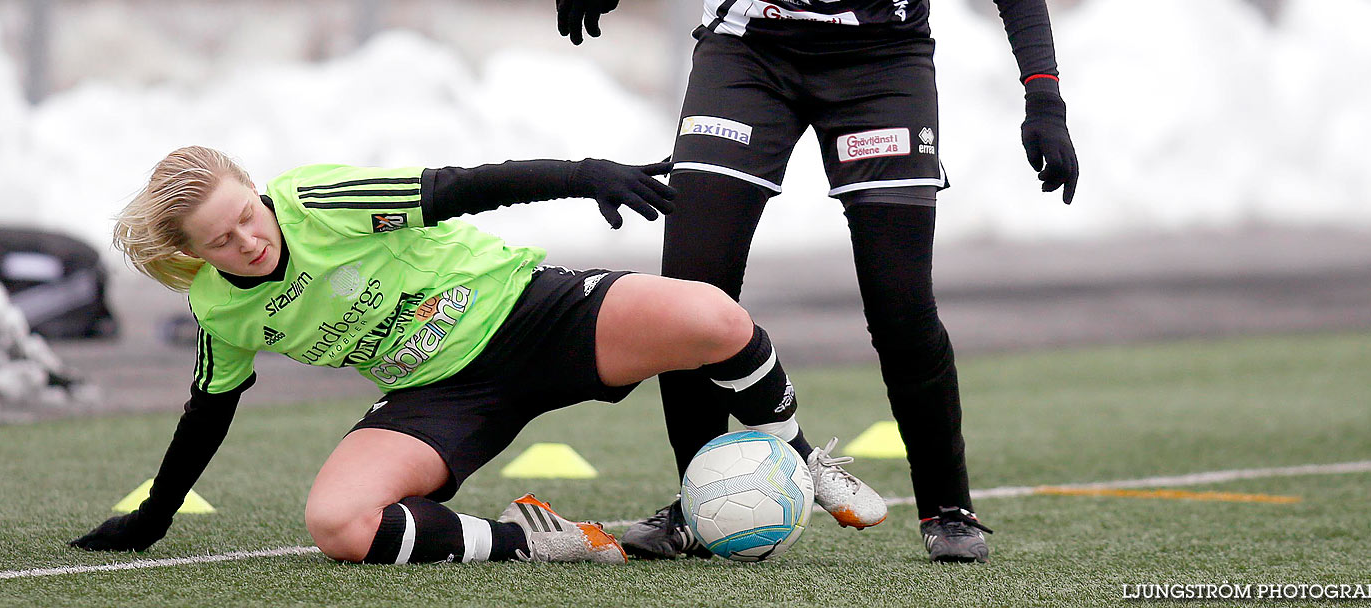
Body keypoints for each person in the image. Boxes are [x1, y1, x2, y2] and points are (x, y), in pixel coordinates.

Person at [555, 0, 1078, 564]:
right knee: (692, 296)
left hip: (879, 70)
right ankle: (697, 502)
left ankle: (948, 506)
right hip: (747, 51)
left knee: (898, 299)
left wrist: (1045, 98)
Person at [69, 147, 883, 565]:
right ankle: (544, 544)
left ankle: (802, 461)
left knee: (711, 315)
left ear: (256, 188)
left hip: (530, 313)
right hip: (439, 395)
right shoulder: (219, 307)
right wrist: (155, 513)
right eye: (224, 240)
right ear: (198, 255)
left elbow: (462, 186)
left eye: (248, 213)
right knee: (339, 525)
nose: (250, 238)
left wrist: (584, 173)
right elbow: (210, 408)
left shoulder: (319, 200)